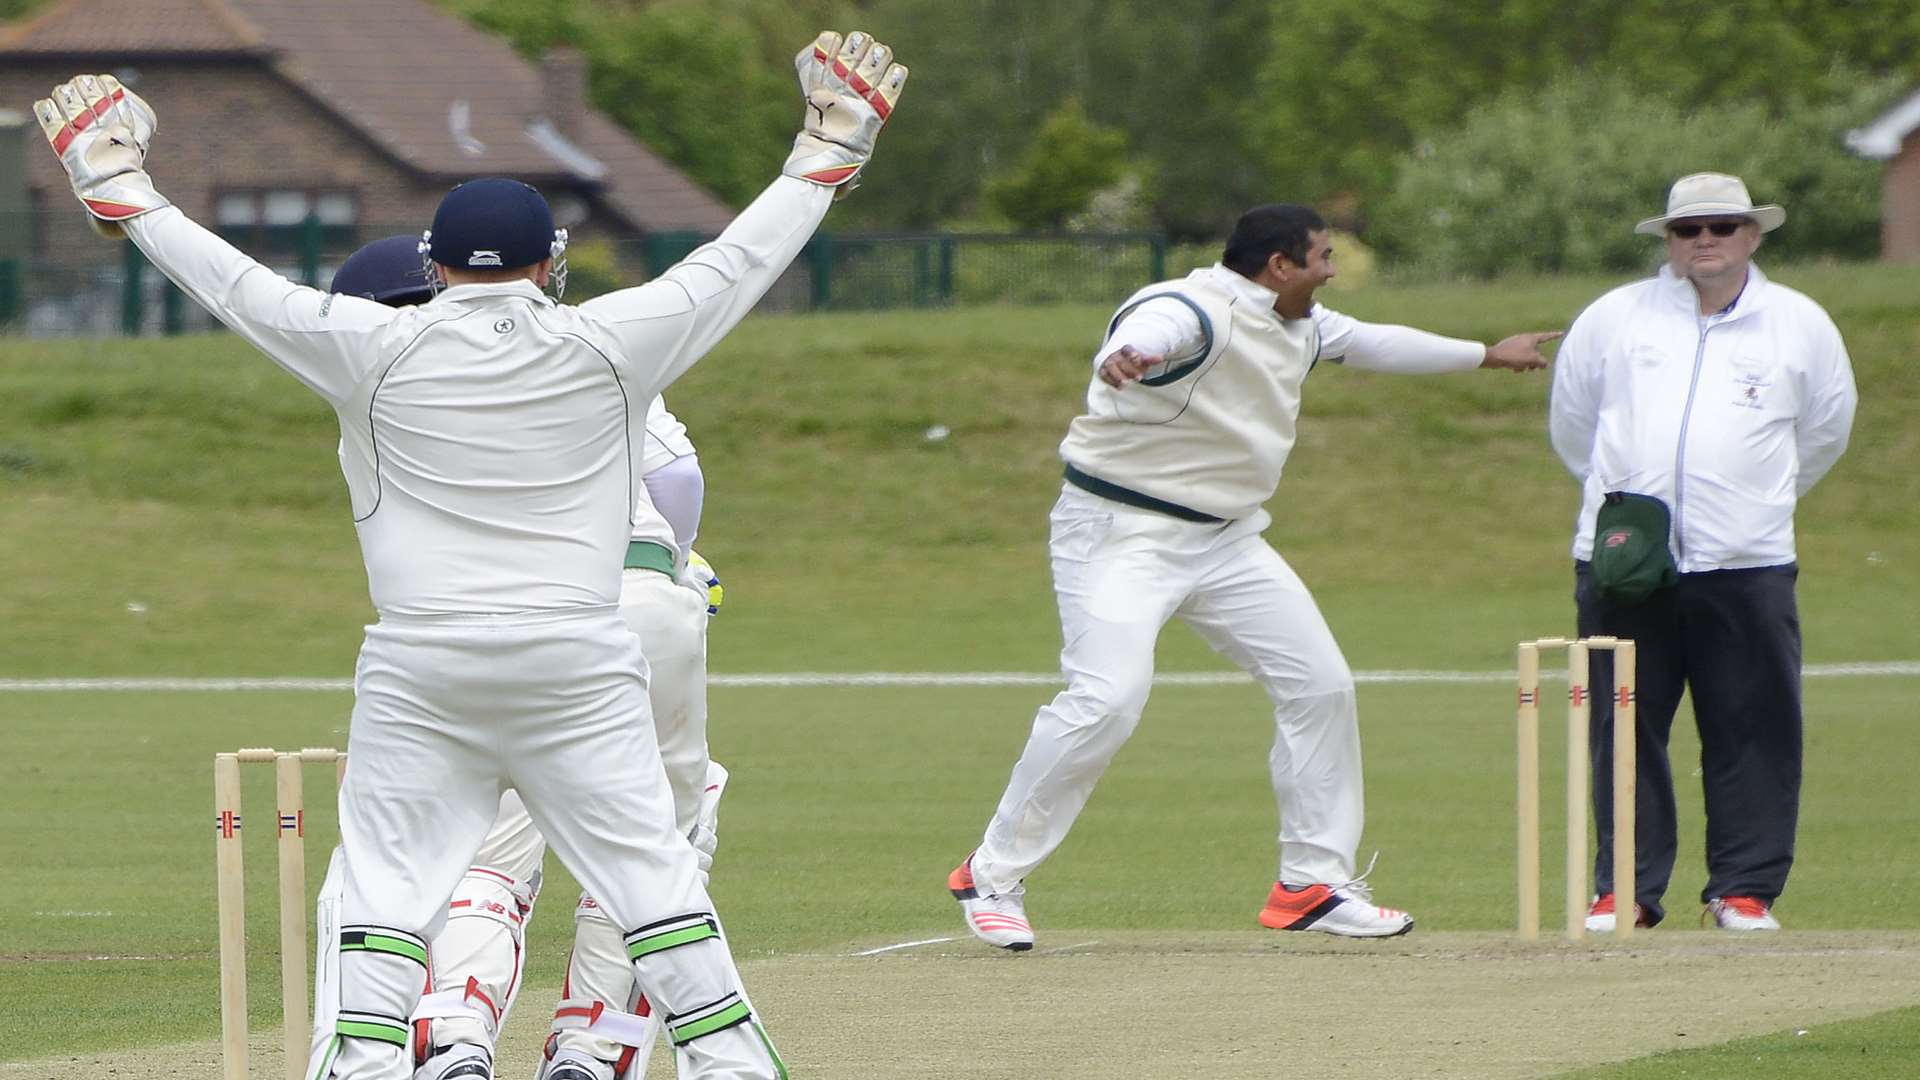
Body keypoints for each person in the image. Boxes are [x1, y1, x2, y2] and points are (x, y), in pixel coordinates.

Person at [34, 31, 904, 1080]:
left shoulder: (366, 345)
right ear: (551, 264)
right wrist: (829, 149)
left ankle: (367, 1064)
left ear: (432, 266)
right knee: (651, 881)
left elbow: (232, 282)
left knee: (390, 890)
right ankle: (728, 1062)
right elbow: (738, 262)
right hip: (577, 663)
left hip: (422, 669)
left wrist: (115, 177)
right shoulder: (617, 341)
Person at [948, 204, 1561, 949]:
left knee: (1321, 685)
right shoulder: (1194, 309)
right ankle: (992, 873)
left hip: (1228, 539)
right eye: (1324, 258)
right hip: (1120, 534)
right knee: (1108, 700)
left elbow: (1375, 343)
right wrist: (1127, 354)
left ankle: (1311, 883)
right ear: (1279, 265)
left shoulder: (1302, 323)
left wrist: (1488, 354)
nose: (1332, 271)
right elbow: (1154, 326)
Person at [324, 238, 731, 1080]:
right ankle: (592, 1045)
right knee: (656, 844)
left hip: (490, 632)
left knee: (480, 845)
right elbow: (680, 476)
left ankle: (455, 1037)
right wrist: (676, 565)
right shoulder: (579, 343)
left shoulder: (374, 391)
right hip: (638, 605)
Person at [1550, 172, 1857, 933]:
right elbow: (1574, 427)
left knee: (1753, 725)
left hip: (1746, 561)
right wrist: (1624, 503)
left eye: (1722, 226)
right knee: (1623, 727)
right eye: (1689, 230)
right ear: (1669, 241)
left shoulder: (1798, 323)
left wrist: (1755, 504)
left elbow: (1824, 431)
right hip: (1625, 563)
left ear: (1753, 234)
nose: (1706, 241)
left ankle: (1744, 888)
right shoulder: (1616, 318)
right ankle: (1626, 889)